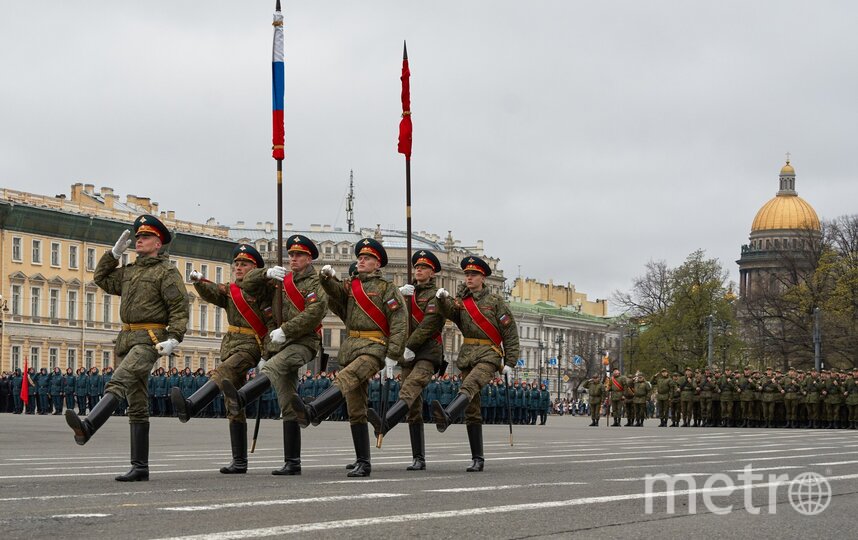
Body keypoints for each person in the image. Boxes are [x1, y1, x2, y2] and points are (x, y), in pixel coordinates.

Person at [65, 214, 188, 482]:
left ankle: (88, 427)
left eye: (145, 237)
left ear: (158, 243)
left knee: (118, 381)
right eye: (138, 237)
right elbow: (102, 279)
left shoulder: (166, 272)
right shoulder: (130, 271)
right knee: (137, 401)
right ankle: (140, 466)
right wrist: (113, 254)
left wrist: (175, 337)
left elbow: (179, 307)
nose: (139, 240)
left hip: (149, 340)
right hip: (126, 340)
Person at [292, 237, 407, 478]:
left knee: (346, 377)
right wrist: (326, 278)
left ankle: (314, 411)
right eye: (360, 257)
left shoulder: (387, 289)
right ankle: (363, 462)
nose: (361, 260)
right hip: (352, 346)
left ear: (378, 264)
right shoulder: (351, 285)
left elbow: (399, 322)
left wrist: (393, 355)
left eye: (367, 258)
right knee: (356, 407)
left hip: (374, 347)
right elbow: (335, 295)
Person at [221, 235, 326, 476]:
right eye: (291, 255)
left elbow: (315, 312)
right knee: (288, 401)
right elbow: (246, 284)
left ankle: (242, 397)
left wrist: (286, 330)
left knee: (274, 367)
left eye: (298, 255)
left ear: (309, 258)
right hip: (280, 343)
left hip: (304, 341)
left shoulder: (315, 282)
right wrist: (266, 273)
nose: (293, 259)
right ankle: (293, 462)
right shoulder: (281, 279)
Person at [171, 243, 271, 473]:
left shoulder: (261, 290)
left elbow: (271, 320)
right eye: (236, 263)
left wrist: (267, 353)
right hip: (231, 345)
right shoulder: (231, 290)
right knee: (232, 402)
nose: (238, 267)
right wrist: (198, 283)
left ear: (254, 267)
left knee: (223, 373)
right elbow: (214, 293)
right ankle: (239, 461)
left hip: (250, 346)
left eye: (244, 264)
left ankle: (191, 406)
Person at [431, 255, 520, 472]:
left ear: (483, 278)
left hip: (489, 354)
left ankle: (449, 415)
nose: (469, 278)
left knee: (469, 385)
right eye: (467, 274)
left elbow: (510, 333)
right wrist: (442, 300)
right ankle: (477, 458)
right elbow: (451, 314)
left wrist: (510, 361)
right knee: (472, 408)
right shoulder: (463, 301)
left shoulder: (496, 303)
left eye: (473, 275)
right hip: (468, 353)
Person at [367, 250, 445, 471]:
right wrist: (400, 297)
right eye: (417, 267)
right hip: (407, 355)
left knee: (410, 389)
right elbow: (390, 317)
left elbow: (430, 324)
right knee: (414, 408)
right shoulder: (405, 293)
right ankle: (418, 457)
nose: (419, 270)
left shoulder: (436, 295)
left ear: (432, 273)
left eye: (424, 268)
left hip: (427, 353)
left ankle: (385, 422)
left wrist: (410, 345)